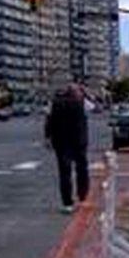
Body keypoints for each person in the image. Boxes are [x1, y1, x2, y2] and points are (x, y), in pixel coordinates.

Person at [44, 83, 89, 213]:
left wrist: (47, 137)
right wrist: (84, 93)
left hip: (61, 142)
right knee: (82, 169)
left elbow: (49, 120)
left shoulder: (54, 103)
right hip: (79, 141)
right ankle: (82, 195)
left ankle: (67, 203)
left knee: (64, 172)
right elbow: (94, 106)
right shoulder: (82, 102)